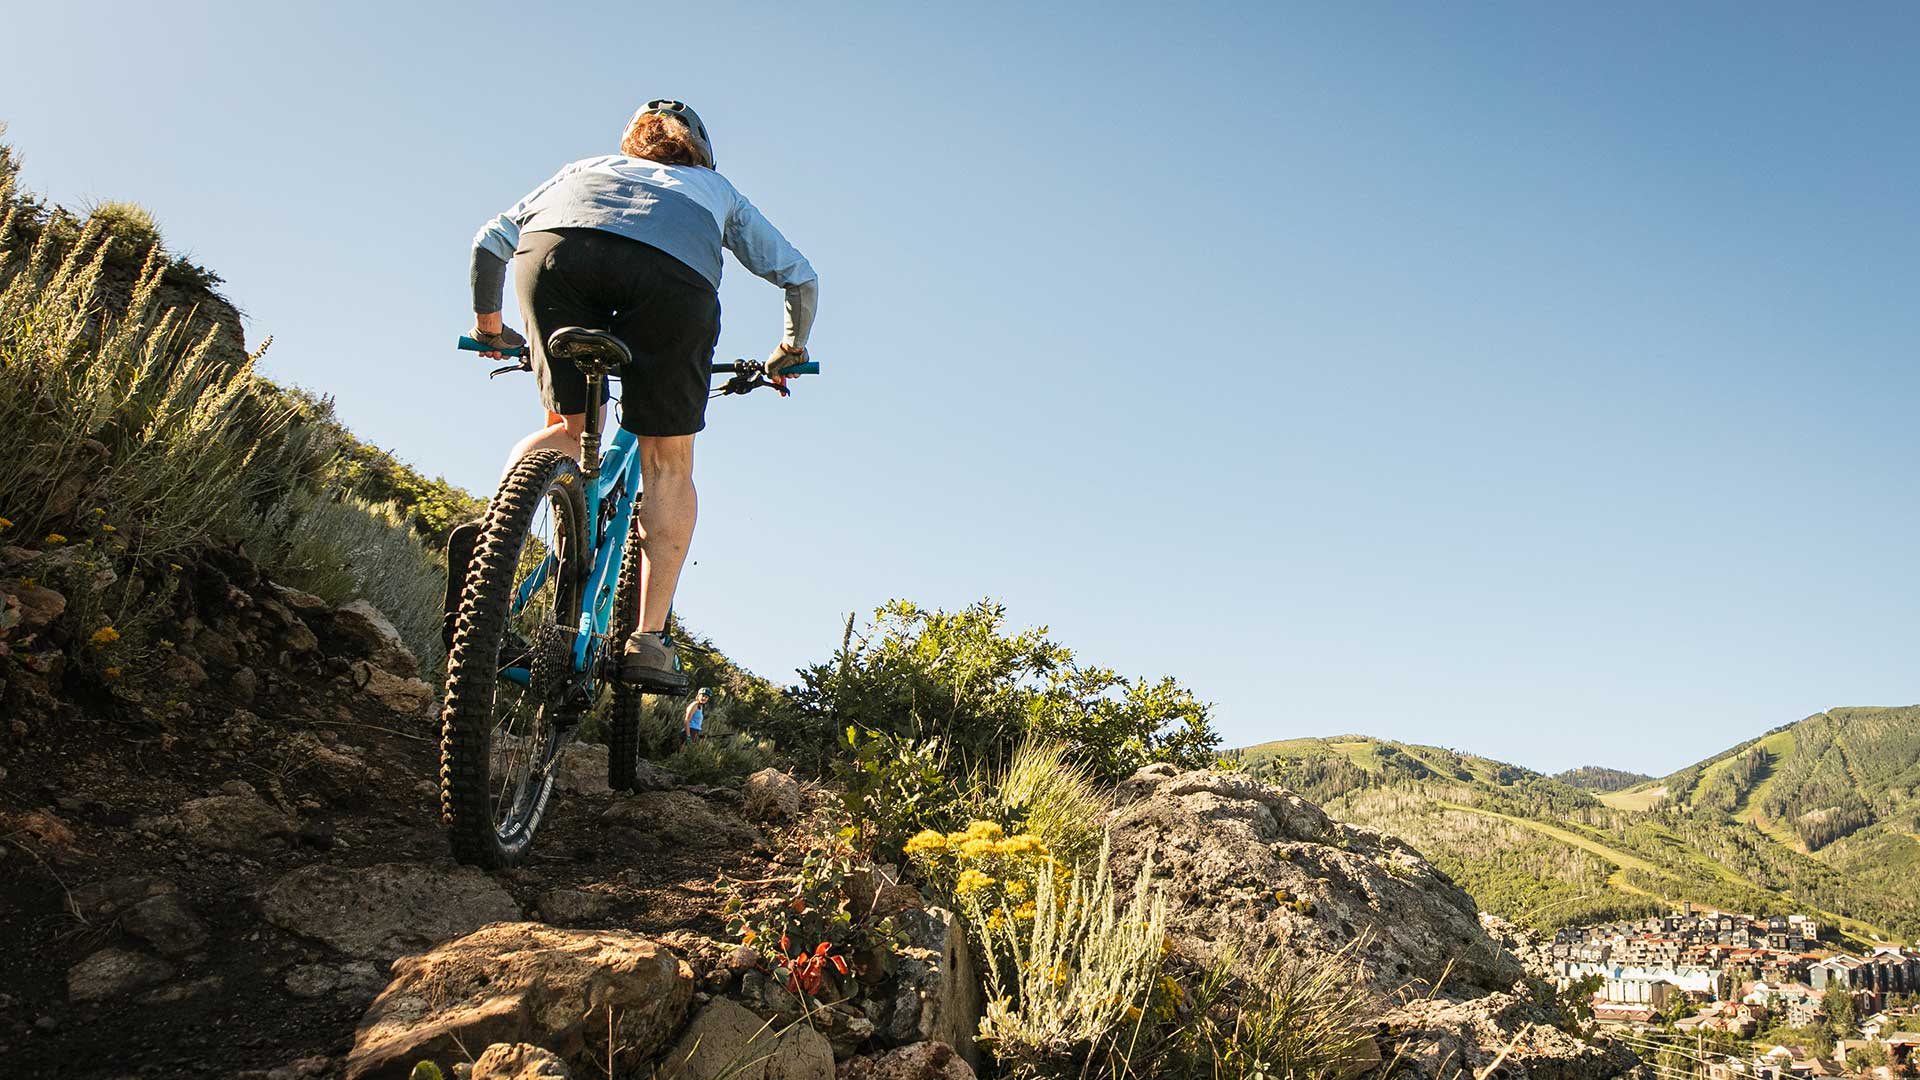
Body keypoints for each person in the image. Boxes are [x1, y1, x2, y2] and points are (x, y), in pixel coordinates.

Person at [464, 100, 817, 688]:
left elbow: (487, 242)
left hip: (555, 254)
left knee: (570, 428)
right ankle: (646, 640)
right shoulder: (714, 189)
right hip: (671, 283)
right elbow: (799, 275)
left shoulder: (584, 167)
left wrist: (488, 327)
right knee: (667, 463)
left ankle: (491, 556)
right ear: (700, 150)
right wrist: (789, 349)